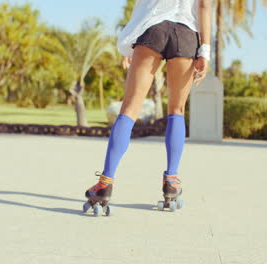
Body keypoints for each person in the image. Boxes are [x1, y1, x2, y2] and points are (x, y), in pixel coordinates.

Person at [83, 0, 212, 215]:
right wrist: (205, 51)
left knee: (129, 108)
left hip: (152, 30)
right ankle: (171, 181)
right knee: (177, 110)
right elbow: (205, 6)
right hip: (186, 34)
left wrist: (129, 38)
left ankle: (105, 183)